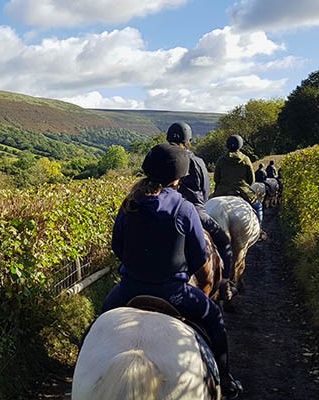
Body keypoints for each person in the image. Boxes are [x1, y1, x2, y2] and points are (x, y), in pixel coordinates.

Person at [102, 142, 243, 399]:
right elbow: (200, 258)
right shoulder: (184, 208)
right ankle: (226, 379)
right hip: (175, 293)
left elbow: (117, 247)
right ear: (178, 177)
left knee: (97, 326)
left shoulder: (129, 203)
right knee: (214, 320)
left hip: (129, 288)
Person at [166, 122, 236, 301]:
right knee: (224, 241)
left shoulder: (163, 157)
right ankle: (224, 283)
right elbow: (205, 192)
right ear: (188, 140)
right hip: (196, 212)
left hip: (165, 209)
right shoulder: (197, 162)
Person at [212, 134, 267, 240]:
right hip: (242, 191)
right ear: (240, 145)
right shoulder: (245, 159)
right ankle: (259, 230)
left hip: (222, 191)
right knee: (258, 206)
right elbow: (251, 180)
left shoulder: (221, 160)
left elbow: (216, 179)